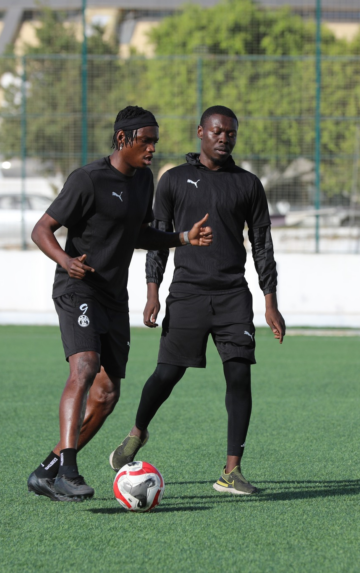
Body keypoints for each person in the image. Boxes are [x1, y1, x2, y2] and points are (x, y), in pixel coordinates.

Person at [27, 106, 213, 502]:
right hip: (78, 289)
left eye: (155, 142)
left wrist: (182, 238)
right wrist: (66, 260)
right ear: (122, 139)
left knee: (108, 394)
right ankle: (69, 471)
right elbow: (41, 229)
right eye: (145, 141)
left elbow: (138, 234)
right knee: (85, 367)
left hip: (114, 297)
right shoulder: (87, 179)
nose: (152, 149)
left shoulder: (145, 181)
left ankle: (48, 469)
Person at [108, 105, 286, 495]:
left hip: (233, 296)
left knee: (239, 374)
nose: (225, 138)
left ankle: (231, 471)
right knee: (167, 375)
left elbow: (262, 245)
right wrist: (152, 291)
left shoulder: (248, 184)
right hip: (187, 294)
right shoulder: (173, 180)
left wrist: (270, 301)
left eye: (231, 133)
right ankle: (137, 433)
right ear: (201, 132)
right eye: (218, 132)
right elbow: (157, 239)